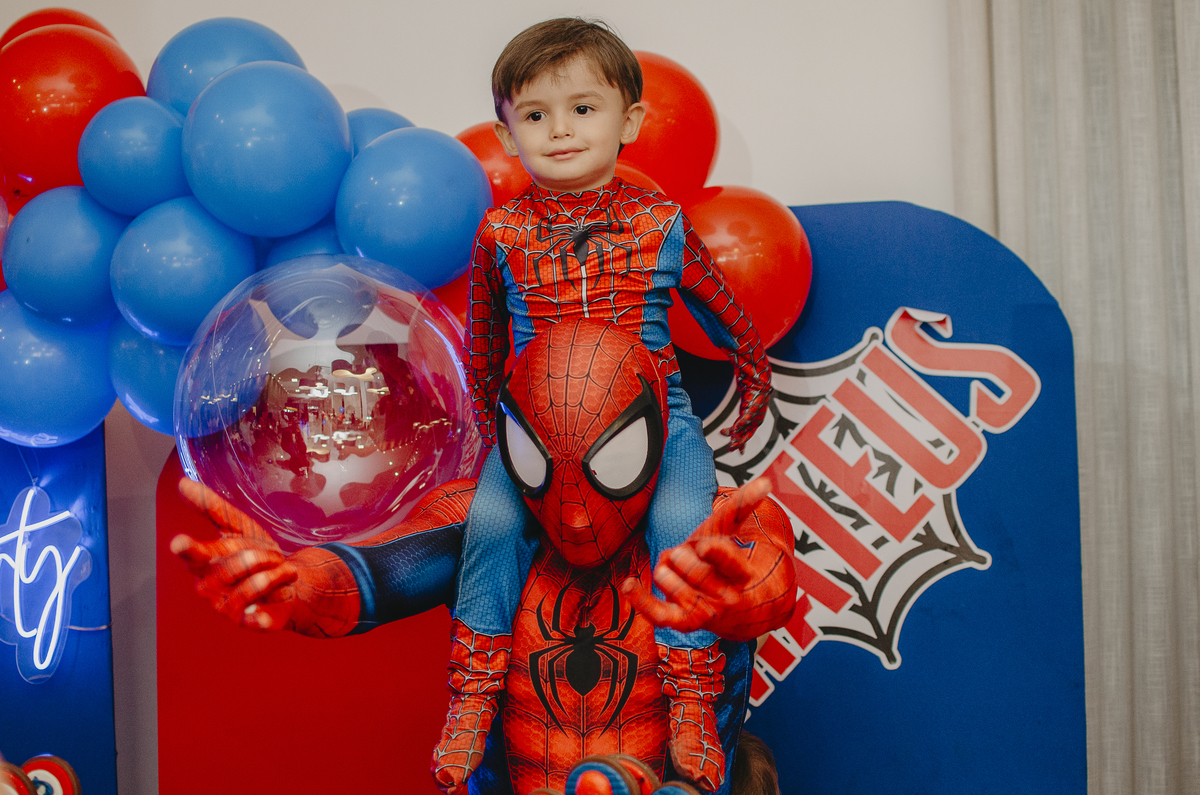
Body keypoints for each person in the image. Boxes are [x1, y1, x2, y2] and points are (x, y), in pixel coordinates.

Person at [448, 17, 774, 794]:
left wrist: (752, 372)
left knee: (680, 531)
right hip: (531, 427)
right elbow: (485, 340)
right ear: (508, 129)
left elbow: (724, 306)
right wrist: (488, 430)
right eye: (534, 115)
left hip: (657, 422)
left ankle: (694, 705)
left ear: (629, 121)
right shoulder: (499, 231)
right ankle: (470, 701)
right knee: (490, 524)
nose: (559, 130)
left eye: (582, 109)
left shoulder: (660, 222)